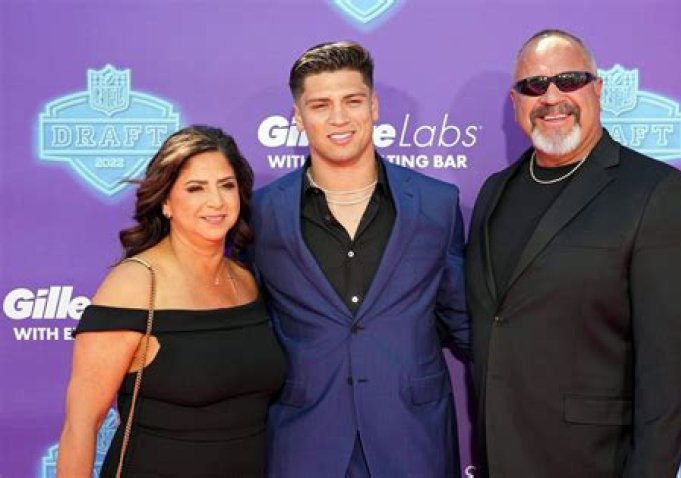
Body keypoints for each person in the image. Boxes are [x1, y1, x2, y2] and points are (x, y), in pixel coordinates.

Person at [466, 29, 681, 478]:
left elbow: (668, 372)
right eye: (534, 85)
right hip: (500, 455)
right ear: (516, 102)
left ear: (598, 89)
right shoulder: (495, 192)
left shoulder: (655, 192)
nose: (551, 97)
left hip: (594, 461)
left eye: (569, 80)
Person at [251, 41, 470, 477]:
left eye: (352, 100)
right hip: (304, 440)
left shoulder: (437, 204)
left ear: (374, 106)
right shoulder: (261, 213)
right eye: (320, 105)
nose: (339, 118)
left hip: (413, 438)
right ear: (298, 117)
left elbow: (462, 320)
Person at [57, 125, 285, 477]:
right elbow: (81, 424)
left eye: (226, 185)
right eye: (195, 188)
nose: (216, 201)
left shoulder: (245, 281)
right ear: (165, 202)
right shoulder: (134, 285)